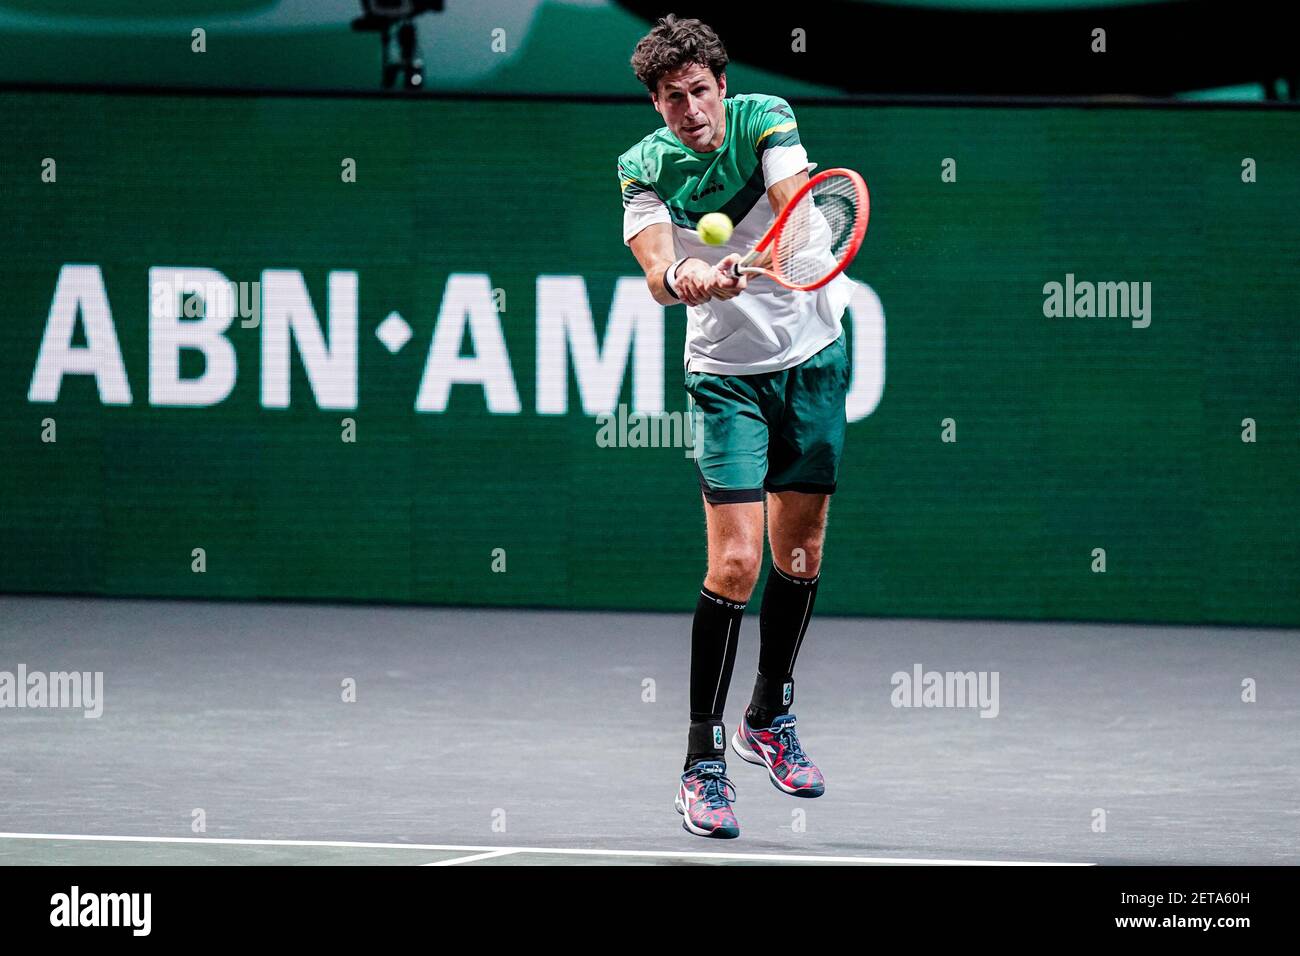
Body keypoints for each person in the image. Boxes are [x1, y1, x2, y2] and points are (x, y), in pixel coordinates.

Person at [618, 15, 854, 839]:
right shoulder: (642, 168)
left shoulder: (766, 119)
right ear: (655, 103)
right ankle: (702, 762)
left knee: (801, 551)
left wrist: (786, 245)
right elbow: (656, 267)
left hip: (815, 361)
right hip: (726, 380)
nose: (690, 110)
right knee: (737, 558)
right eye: (672, 98)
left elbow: (795, 197)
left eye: (700, 91)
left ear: (721, 86)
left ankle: (770, 715)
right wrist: (693, 277)